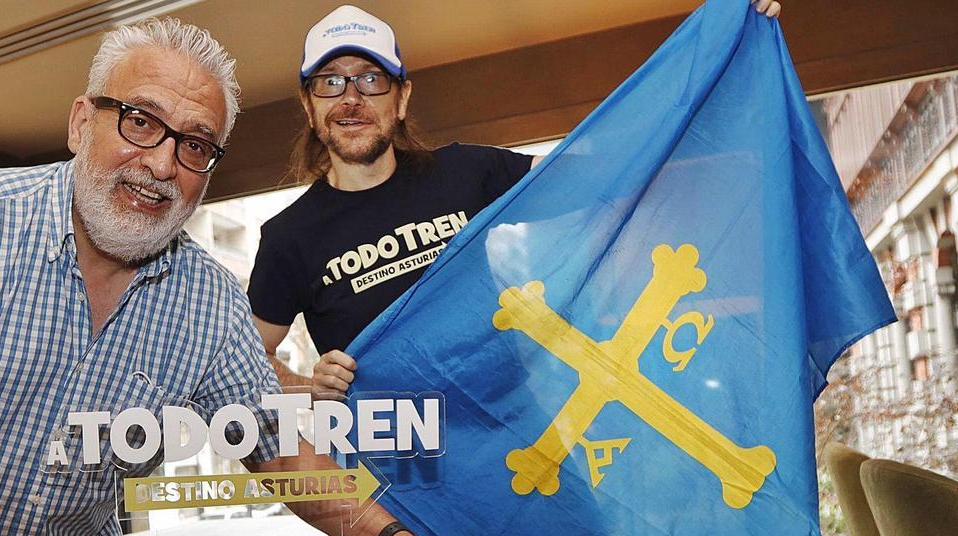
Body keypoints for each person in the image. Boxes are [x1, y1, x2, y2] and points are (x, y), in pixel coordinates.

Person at [0, 17, 421, 536]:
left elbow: (280, 452)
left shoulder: (209, 302)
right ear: (78, 124)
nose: (160, 163)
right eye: (139, 122)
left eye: (196, 145)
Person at [249, 2, 782, 399]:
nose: (351, 98)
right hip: (394, 475)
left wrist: (725, 43)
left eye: (370, 79)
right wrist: (307, 388)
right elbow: (249, 362)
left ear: (402, 97)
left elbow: (599, 169)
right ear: (308, 104)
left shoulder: (467, 173)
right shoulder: (289, 237)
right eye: (330, 81)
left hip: (508, 443)